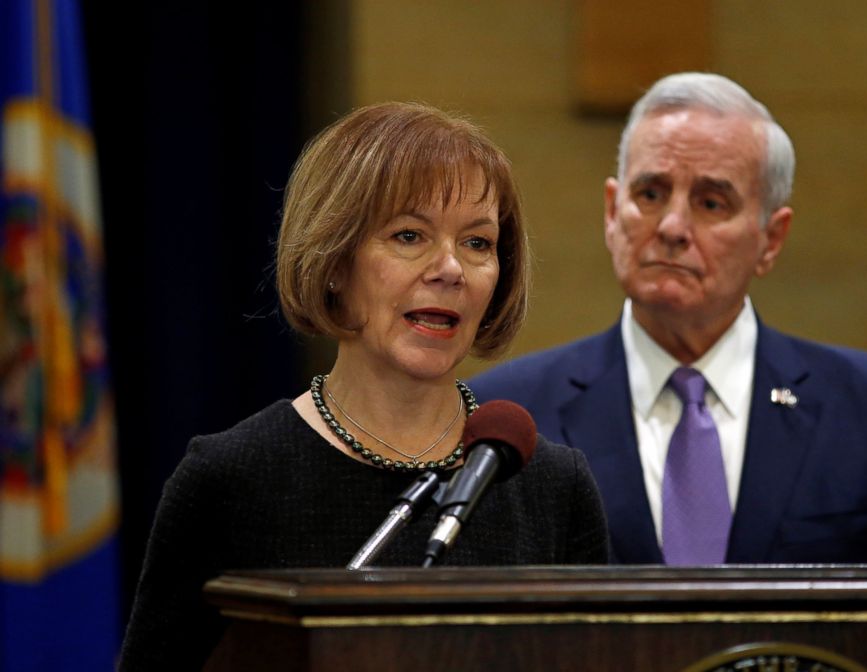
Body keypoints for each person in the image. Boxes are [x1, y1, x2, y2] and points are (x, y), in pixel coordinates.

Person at [119, 102, 609, 670]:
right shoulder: (231, 480)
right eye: (409, 235)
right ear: (333, 260)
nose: (449, 268)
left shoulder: (552, 488)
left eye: (477, 243)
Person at [471, 72, 867, 565]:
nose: (671, 226)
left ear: (771, 239)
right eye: (650, 194)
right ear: (611, 211)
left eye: (711, 202)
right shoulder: (508, 418)